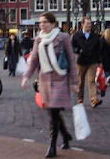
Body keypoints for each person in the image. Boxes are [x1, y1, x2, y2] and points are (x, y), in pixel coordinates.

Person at [22, 12, 78, 158]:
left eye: (45, 22)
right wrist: (26, 76)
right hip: (44, 80)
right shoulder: (39, 39)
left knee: (53, 111)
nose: (42, 25)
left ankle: (52, 147)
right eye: (40, 22)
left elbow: (71, 60)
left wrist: (75, 82)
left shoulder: (64, 37)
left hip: (60, 79)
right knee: (53, 112)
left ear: (53, 23)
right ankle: (65, 135)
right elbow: (34, 59)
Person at [72, 16, 102, 108]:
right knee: (80, 81)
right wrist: (78, 51)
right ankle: (80, 99)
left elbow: (98, 50)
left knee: (91, 81)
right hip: (81, 62)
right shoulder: (77, 35)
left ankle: (94, 100)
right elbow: (72, 46)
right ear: (82, 24)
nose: (89, 25)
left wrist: (99, 61)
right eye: (87, 23)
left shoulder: (95, 36)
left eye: (90, 23)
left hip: (92, 61)